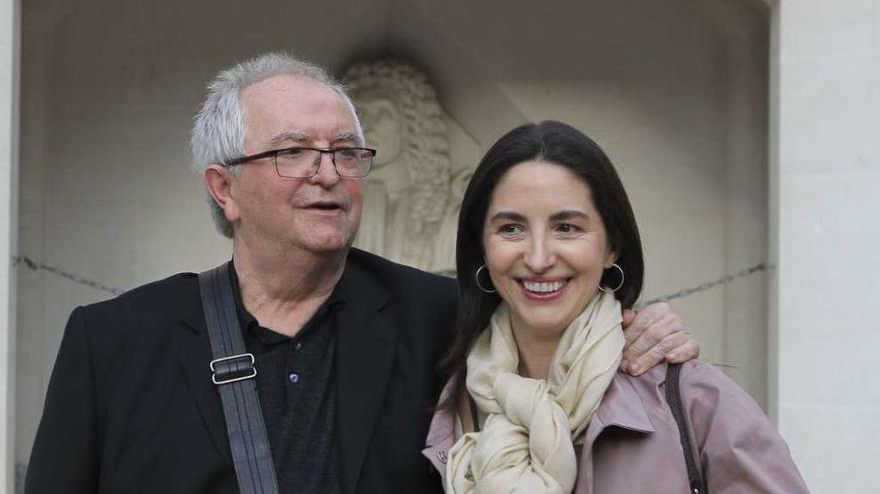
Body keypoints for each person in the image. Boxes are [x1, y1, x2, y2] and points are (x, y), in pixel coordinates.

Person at [25, 54, 697, 493]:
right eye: (294, 151)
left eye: (346, 152)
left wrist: (646, 330)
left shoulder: (445, 318)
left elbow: (566, 337)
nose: (329, 171)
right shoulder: (112, 342)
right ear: (223, 187)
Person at [424, 121, 810, 493]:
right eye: (511, 228)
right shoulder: (443, 399)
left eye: (567, 228)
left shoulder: (694, 400)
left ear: (612, 246)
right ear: (482, 248)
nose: (538, 258)